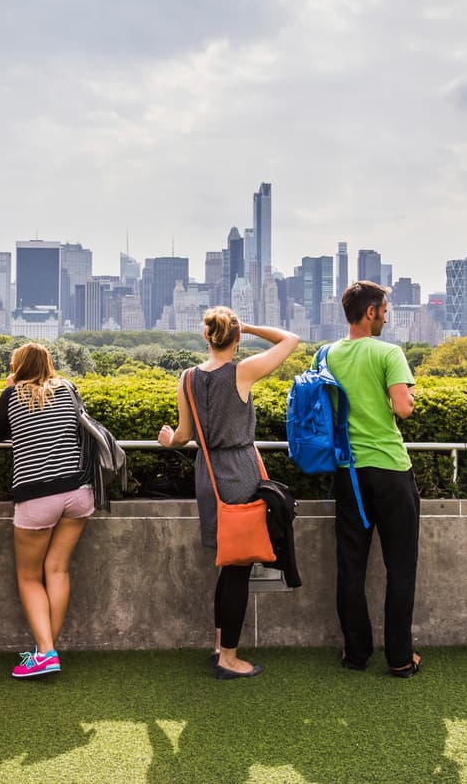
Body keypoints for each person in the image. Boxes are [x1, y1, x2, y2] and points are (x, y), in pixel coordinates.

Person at [158, 308, 300, 679]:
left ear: (207, 338)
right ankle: (229, 659)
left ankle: (220, 645)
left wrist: (167, 439)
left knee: (227, 563)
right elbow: (291, 341)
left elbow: (183, 436)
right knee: (238, 569)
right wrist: (249, 327)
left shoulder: (187, 379)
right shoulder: (241, 371)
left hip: (208, 475)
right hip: (239, 473)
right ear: (235, 338)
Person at [324, 282, 422, 677]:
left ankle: (356, 653)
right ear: (370, 312)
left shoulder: (325, 354)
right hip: (390, 470)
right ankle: (399, 658)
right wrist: (410, 397)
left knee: (351, 565)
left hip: (348, 472)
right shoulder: (388, 353)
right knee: (400, 566)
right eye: (384, 309)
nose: (387, 315)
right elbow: (404, 409)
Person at [0, 343, 96, 678]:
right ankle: (44, 650)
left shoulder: (13, 395)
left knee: (29, 576)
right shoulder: (68, 388)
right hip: (78, 492)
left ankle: (46, 652)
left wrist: (8, 390)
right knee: (58, 570)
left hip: (36, 497)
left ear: (18, 367)